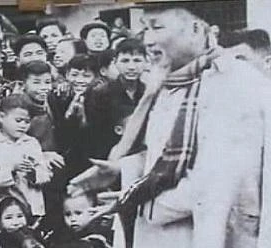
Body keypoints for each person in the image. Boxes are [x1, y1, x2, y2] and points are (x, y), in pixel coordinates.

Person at [68, 5, 271, 248]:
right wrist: (122, 170)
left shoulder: (238, 84)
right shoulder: (174, 83)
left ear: (196, 28)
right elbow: (166, 156)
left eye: (157, 27)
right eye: (145, 28)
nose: (148, 40)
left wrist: (135, 195)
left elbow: (218, 183)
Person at [0, 94, 52, 217]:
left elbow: (46, 174)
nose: (23, 125)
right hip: (7, 211)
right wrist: (12, 169)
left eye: (27, 121)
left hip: (34, 208)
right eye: (18, 121)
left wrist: (33, 174)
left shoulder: (32, 143)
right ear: (2, 117)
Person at [85, 39, 146, 159]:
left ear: (146, 62)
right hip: (109, 156)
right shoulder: (100, 93)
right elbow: (95, 135)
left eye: (137, 60)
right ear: (116, 62)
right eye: (125, 61)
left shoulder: (148, 92)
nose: (131, 67)